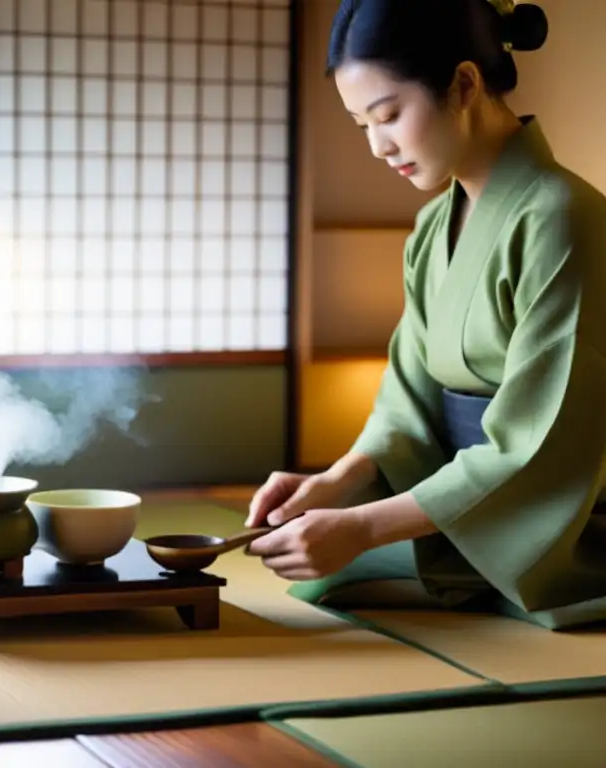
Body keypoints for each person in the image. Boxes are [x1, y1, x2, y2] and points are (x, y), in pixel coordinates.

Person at [245, 0, 606, 630]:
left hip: (555, 513)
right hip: (471, 497)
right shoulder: (432, 225)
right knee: (322, 572)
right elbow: (407, 399)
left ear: (465, 83)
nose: (378, 146)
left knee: (348, 561)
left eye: (388, 116)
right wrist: (336, 481)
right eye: (361, 125)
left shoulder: (563, 216)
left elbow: (541, 440)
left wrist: (362, 524)